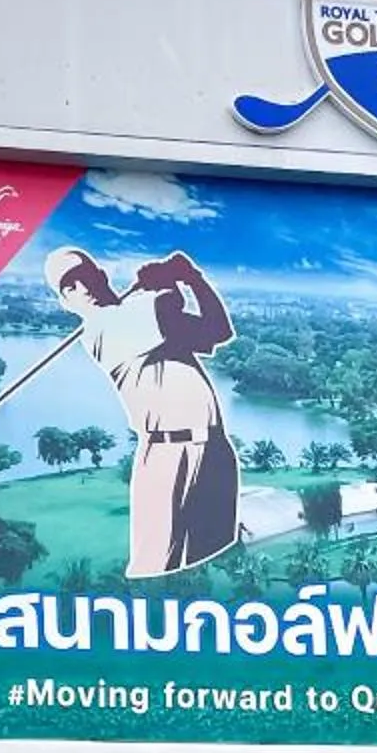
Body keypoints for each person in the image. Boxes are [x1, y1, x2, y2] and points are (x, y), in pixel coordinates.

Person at [47, 245, 241, 577]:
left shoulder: (140, 320)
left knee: (214, 559)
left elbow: (219, 331)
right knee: (153, 571)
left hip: (213, 446)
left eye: (85, 275)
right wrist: (171, 278)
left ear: (101, 276)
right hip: (167, 455)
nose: (82, 286)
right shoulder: (102, 329)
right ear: (66, 302)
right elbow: (168, 304)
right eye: (69, 285)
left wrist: (192, 278)